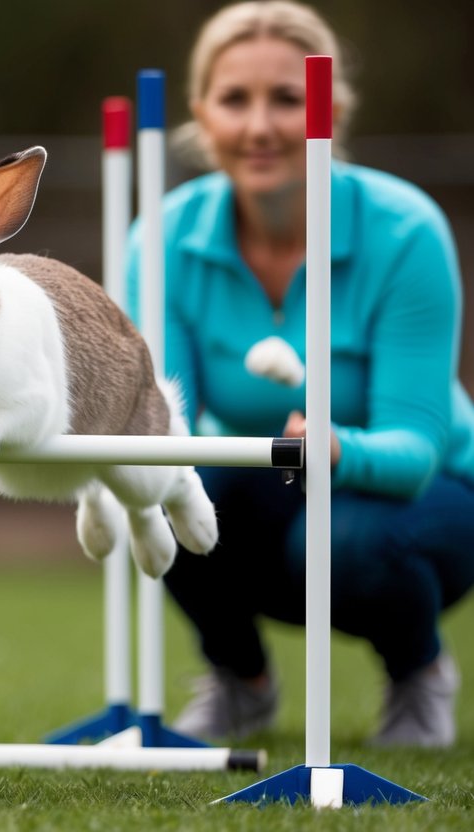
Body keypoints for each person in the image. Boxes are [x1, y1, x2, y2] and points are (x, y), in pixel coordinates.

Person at [126, 0, 474, 747]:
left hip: (424, 493)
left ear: (329, 110)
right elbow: (166, 429)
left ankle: (417, 671)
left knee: (345, 542)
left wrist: (338, 447)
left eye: (285, 99)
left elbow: (414, 448)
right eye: (234, 100)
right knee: (154, 493)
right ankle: (239, 680)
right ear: (200, 115)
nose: (259, 127)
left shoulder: (405, 230)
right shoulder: (160, 239)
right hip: (265, 478)